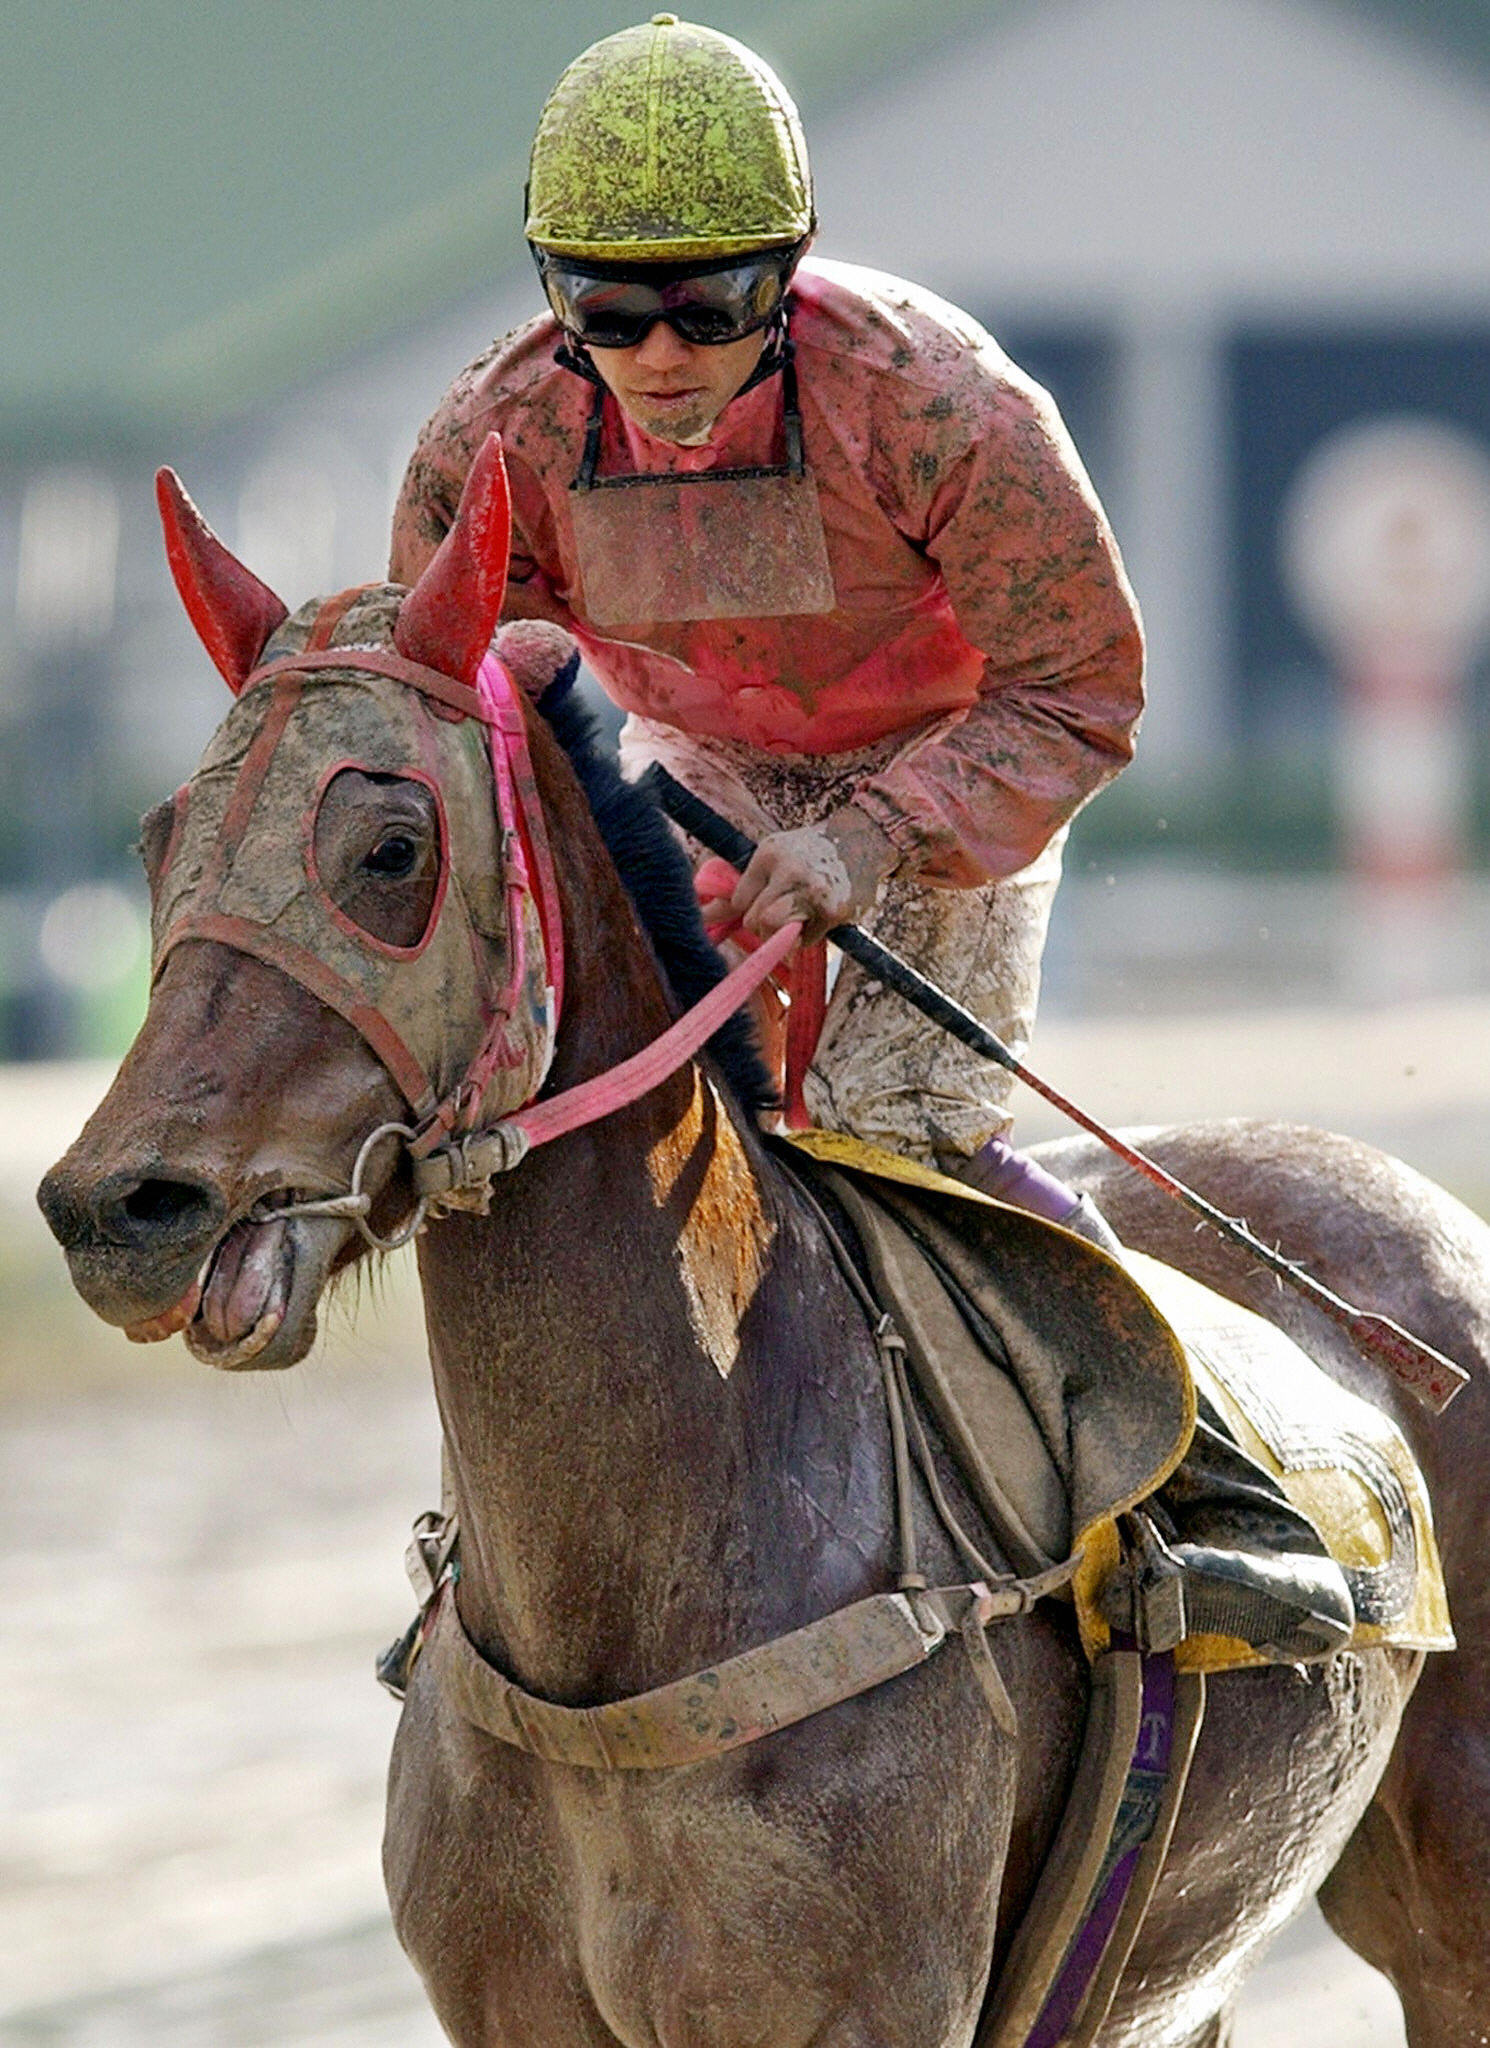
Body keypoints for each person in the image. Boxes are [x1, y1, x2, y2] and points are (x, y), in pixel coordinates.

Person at [390, 15, 1352, 1660]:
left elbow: (1082, 688)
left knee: (895, 1121)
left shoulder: (939, 405)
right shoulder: (498, 437)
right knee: (613, 1137)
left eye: (716, 304)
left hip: (953, 764)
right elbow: (449, 679)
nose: (665, 354)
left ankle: (1213, 1486)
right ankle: (515, 1545)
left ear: (796, 267)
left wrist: (877, 835)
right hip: (696, 766)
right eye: (610, 313)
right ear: (553, 291)